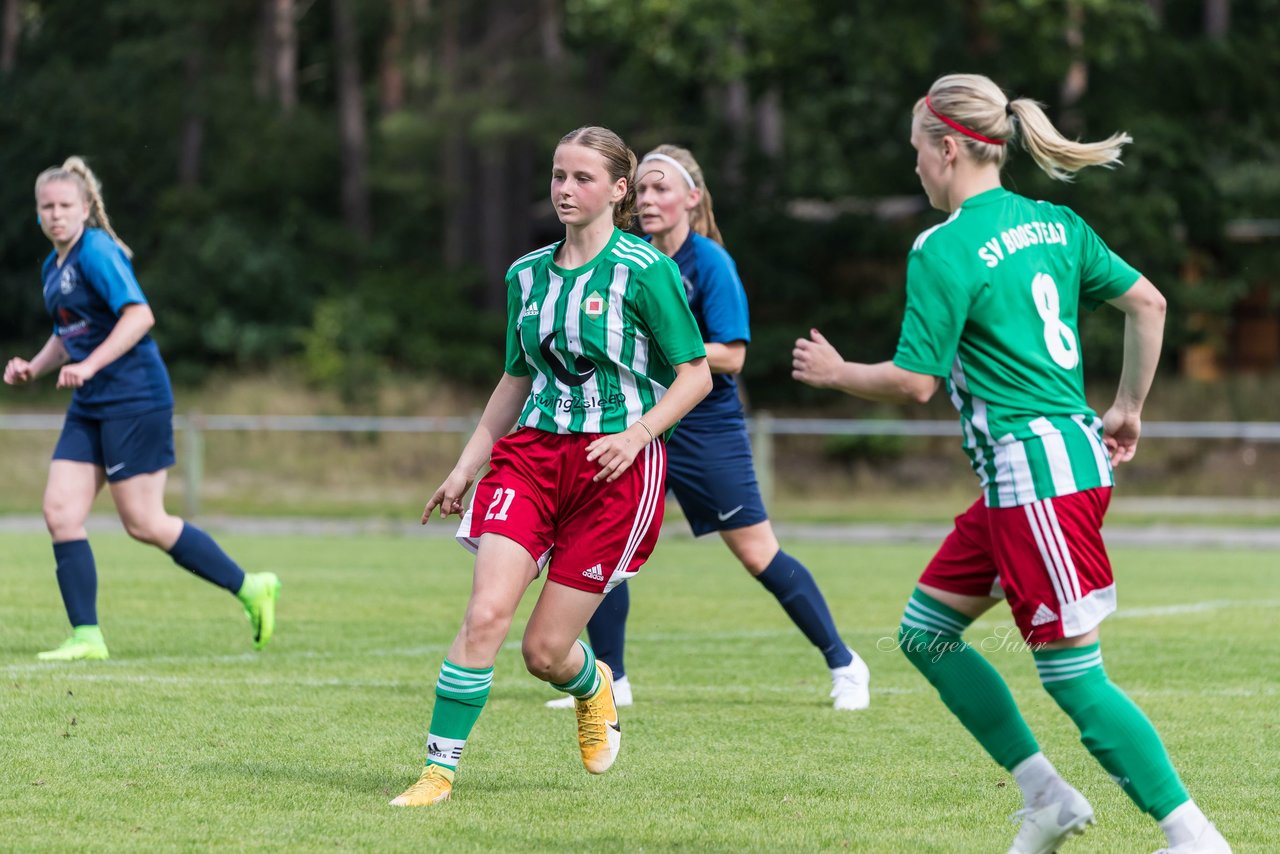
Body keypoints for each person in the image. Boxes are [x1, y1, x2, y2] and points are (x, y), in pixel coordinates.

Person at [792, 74, 1230, 854]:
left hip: (1036, 481)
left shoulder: (943, 245)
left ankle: (1192, 836)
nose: (917, 169)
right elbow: (1151, 305)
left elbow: (915, 383)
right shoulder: (1056, 224)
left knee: (1072, 676)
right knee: (926, 634)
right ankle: (1046, 798)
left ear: (950, 147)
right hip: (1035, 476)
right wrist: (1129, 407)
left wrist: (838, 374)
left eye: (918, 154)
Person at [389, 126, 711, 807]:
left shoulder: (646, 271)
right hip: (530, 460)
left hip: (614, 472)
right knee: (485, 612)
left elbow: (695, 375)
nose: (565, 189)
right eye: (558, 176)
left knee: (544, 653)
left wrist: (639, 434)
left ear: (619, 191)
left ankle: (590, 685)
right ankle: (437, 772)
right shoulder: (525, 274)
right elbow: (513, 381)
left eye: (583, 178)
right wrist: (464, 468)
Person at [545, 144, 871, 713]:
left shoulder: (711, 263)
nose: (648, 199)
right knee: (602, 544)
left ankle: (845, 663)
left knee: (755, 553)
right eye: (641, 189)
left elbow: (733, 356)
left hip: (705, 428)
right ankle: (610, 679)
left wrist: (669, 351)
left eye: (660, 188)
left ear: (692, 199)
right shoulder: (630, 259)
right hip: (641, 421)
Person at [4, 157, 281, 661]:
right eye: (47, 207)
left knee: (144, 522)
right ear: (37, 214)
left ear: (85, 208)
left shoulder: (97, 251)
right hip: (91, 403)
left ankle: (252, 587)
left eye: (66, 205)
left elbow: (139, 316)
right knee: (60, 512)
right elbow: (69, 334)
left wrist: (89, 368)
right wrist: (34, 367)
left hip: (134, 396)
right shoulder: (53, 266)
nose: (56, 214)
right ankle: (86, 637)